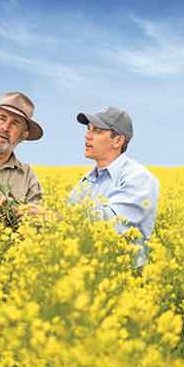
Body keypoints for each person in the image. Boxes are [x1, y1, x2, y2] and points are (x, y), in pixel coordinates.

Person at [69, 106, 159, 268]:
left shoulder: (138, 178)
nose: (87, 135)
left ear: (118, 141)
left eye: (97, 131)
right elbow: (67, 222)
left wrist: (55, 218)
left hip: (124, 279)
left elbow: (110, 224)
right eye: (88, 129)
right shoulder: (86, 180)